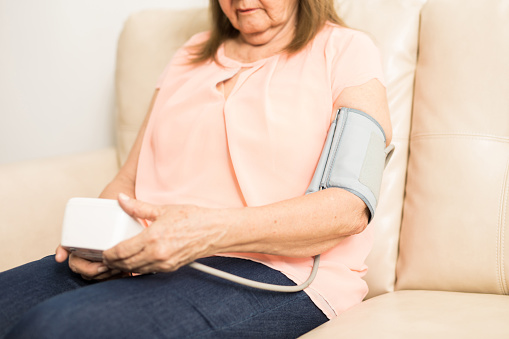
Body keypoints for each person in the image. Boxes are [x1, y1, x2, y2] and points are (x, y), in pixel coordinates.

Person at [0, 0, 392, 337]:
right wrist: (100, 243)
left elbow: (349, 206)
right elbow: (129, 178)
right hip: (147, 256)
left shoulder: (345, 49)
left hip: (278, 274)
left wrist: (206, 232)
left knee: (60, 328)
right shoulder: (190, 53)